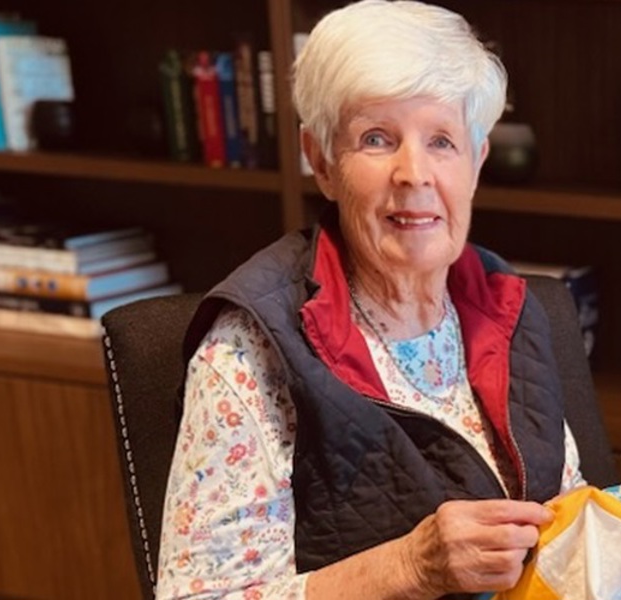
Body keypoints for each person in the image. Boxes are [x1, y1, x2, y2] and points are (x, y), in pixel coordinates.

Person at [155, 1, 587, 597]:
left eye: (442, 141)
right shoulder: (251, 349)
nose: (414, 173)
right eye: (377, 139)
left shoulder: (508, 304)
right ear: (322, 161)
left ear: (477, 162)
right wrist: (411, 566)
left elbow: (570, 519)